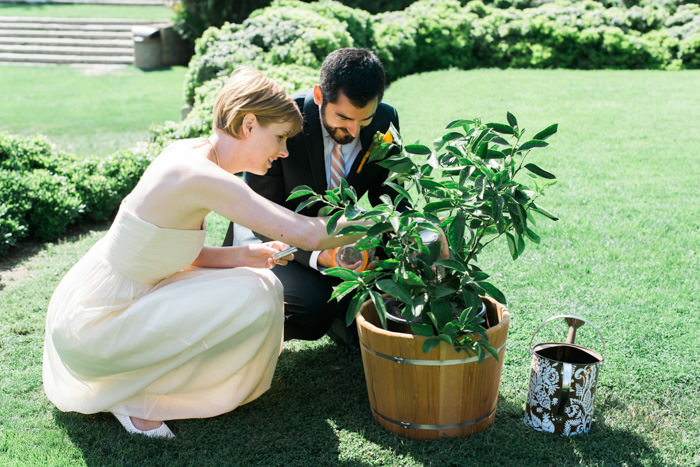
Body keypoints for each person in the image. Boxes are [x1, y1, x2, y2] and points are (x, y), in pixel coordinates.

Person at [42, 67, 363, 439]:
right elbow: (306, 231)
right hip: (99, 326)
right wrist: (383, 221)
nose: (284, 151)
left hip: (121, 298)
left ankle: (143, 381)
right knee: (254, 294)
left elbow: (173, 252)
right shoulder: (200, 175)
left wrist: (245, 255)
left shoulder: (192, 152)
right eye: (279, 137)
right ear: (248, 125)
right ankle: (136, 397)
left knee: (261, 285)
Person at [223, 48, 401, 346]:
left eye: (364, 119)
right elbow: (259, 211)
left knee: (392, 289)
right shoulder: (280, 121)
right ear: (319, 95)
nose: (353, 129)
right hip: (268, 233)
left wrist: (415, 229)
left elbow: (391, 188)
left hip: (339, 232)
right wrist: (321, 257)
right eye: (343, 117)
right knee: (310, 309)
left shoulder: (385, 119)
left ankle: (344, 318)